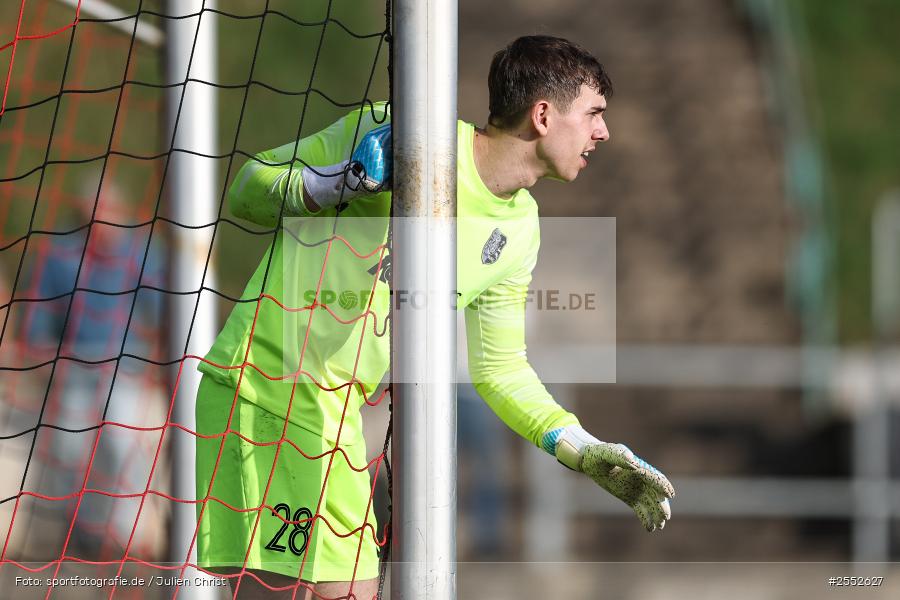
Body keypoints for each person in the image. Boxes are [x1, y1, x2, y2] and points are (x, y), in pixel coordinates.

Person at [195, 35, 675, 600]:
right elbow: (247, 191)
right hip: (277, 386)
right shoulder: (404, 132)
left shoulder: (521, 228)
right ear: (543, 115)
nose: (604, 132)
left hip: (327, 411)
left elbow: (500, 369)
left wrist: (582, 449)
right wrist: (342, 181)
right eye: (594, 114)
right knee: (349, 590)